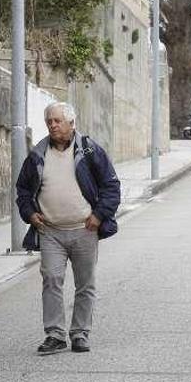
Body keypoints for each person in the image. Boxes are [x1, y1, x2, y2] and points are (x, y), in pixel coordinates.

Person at [15, 101, 121, 356]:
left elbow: (111, 186)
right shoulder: (38, 154)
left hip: (84, 229)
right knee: (51, 278)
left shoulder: (90, 151)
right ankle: (55, 334)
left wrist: (98, 216)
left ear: (72, 123)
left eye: (57, 121)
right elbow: (22, 190)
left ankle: (80, 333)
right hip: (50, 231)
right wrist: (30, 214)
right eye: (49, 121)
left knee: (85, 284)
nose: (52, 125)